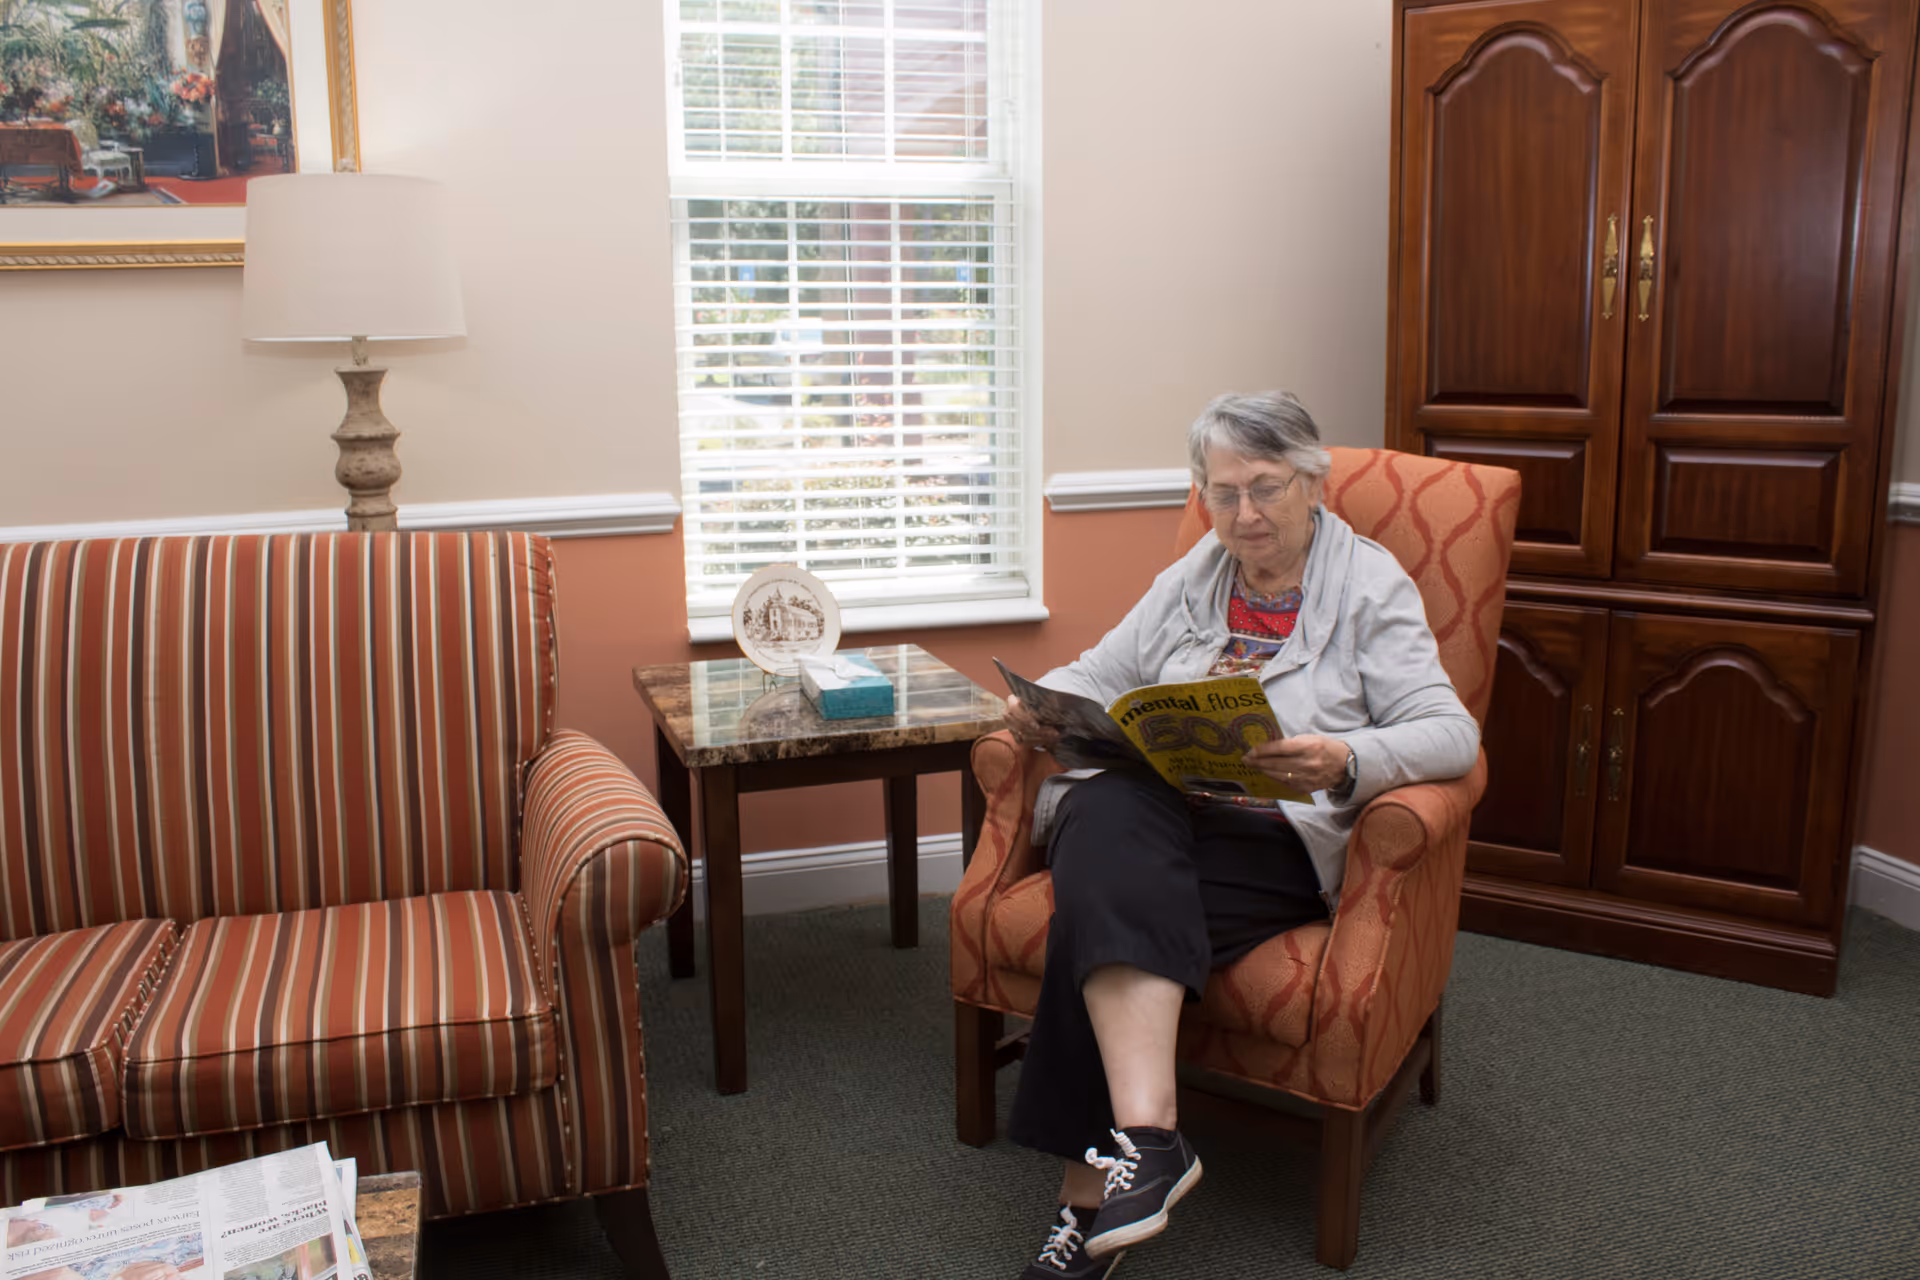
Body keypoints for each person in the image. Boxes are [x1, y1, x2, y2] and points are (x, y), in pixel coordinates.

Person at [1005, 391, 1479, 1278]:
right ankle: (1151, 1140)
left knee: (1094, 915)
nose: (1244, 515)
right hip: (1169, 814)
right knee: (1105, 804)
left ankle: (1086, 1198)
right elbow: (1100, 669)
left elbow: (1454, 734)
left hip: (1275, 840)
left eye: (1264, 490)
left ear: (1311, 483)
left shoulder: (1371, 584)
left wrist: (1345, 757)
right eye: (1222, 493)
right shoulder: (1195, 574)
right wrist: (1042, 703)